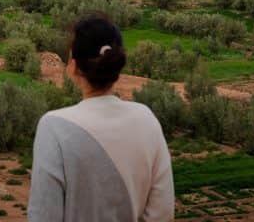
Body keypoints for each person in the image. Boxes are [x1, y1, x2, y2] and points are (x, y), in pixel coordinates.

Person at [28, 15, 174, 221]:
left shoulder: (54, 127)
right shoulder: (146, 119)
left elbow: (44, 215)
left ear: (73, 66)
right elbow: (163, 212)